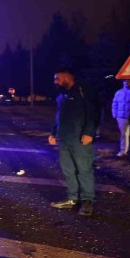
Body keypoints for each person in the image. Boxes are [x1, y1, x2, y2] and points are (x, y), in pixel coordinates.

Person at [49, 68, 99, 216]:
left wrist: (89, 132)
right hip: (64, 139)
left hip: (80, 138)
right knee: (68, 170)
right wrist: (53, 132)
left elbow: (93, 113)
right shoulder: (62, 96)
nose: (55, 82)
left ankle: (87, 201)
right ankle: (72, 199)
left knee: (84, 170)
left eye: (57, 78)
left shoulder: (83, 92)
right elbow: (58, 116)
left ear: (67, 78)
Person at [111, 79, 130, 157]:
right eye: (125, 81)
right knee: (123, 134)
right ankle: (123, 150)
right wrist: (115, 114)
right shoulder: (118, 92)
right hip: (121, 116)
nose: (126, 83)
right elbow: (114, 103)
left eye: (128, 81)